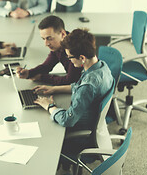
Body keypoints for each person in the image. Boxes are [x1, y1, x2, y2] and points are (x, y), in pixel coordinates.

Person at [33, 28, 114, 170]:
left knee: (41, 135)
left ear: (82, 57)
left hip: (81, 134)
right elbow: (78, 86)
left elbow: (68, 120)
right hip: (94, 124)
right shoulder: (101, 67)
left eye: (70, 57)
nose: (69, 60)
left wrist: (50, 106)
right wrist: (54, 89)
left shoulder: (89, 85)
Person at [16, 15, 82, 85]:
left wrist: (42, 77)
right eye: (43, 39)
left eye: (49, 38)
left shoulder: (74, 48)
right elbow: (46, 66)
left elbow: (70, 80)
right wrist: (29, 73)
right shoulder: (58, 45)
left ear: (63, 34)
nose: (46, 44)